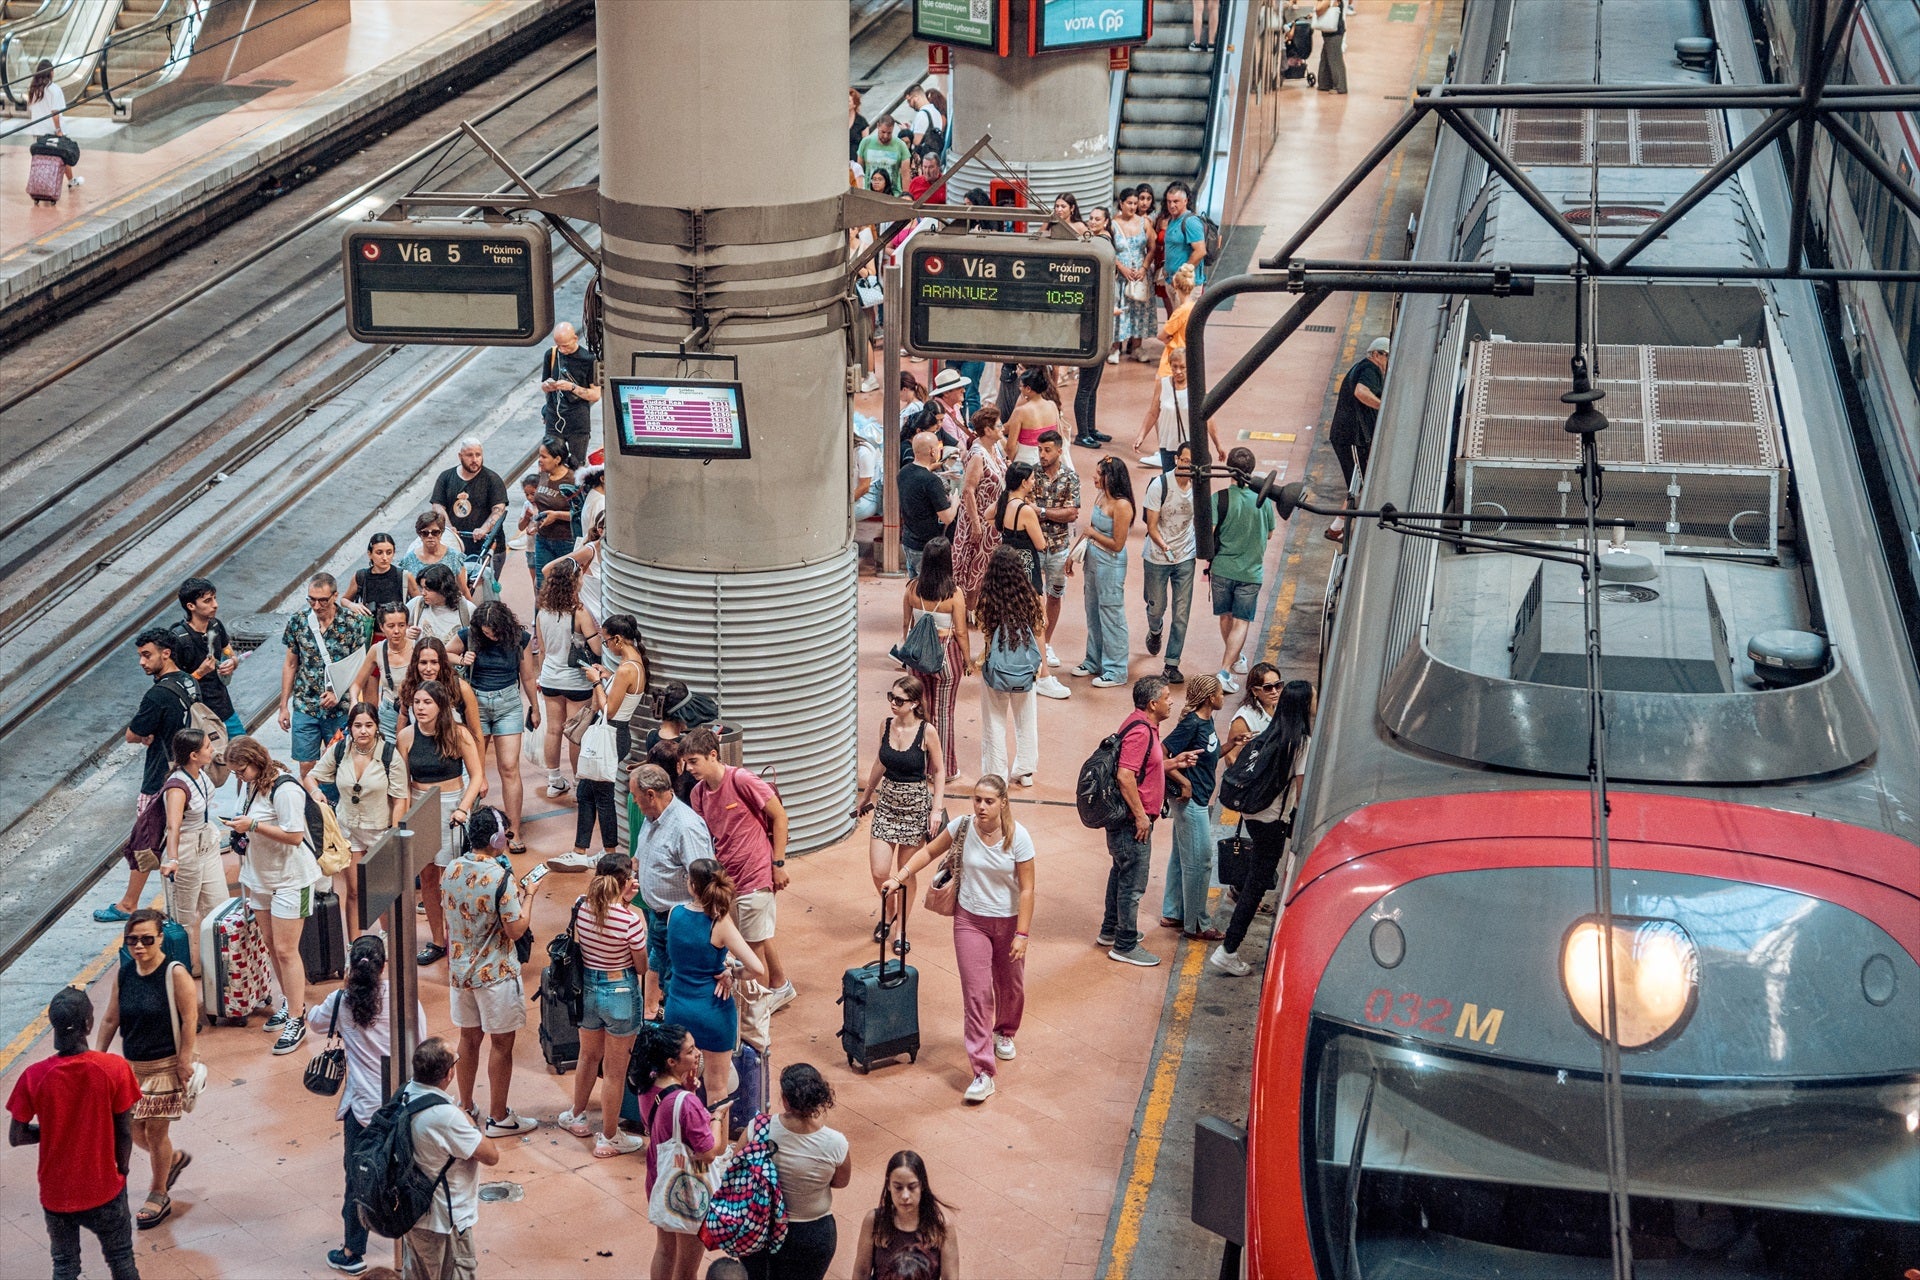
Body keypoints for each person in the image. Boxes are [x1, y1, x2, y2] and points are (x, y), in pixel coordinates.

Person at [883, 775, 1033, 1103]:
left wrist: (1022, 933)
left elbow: (1027, 888)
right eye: (977, 799)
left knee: (1011, 987)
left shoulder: (1018, 837)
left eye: (989, 801)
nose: (981, 806)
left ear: (1003, 803)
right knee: (977, 995)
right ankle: (982, 1071)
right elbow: (927, 853)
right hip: (970, 922)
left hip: (1008, 923)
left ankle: (1005, 1031)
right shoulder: (963, 828)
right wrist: (899, 877)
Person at [308, 935, 428, 1276]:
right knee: (406, 1174)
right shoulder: (403, 999)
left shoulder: (340, 1000)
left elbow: (316, 1022)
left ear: (349, 969)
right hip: (400, 1106)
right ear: (384, 967)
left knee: (359, 1179)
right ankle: (412, 1244)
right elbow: (420, 1042)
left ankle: (352, 1250)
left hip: (361, 1112)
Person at [8, 988, 141, 1280]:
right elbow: (124, 1132)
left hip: (57, 1194)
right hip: (105, 1188)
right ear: (89, 1024)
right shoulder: (113, 1068)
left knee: (65, 1266)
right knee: (121, 1260)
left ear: (52, 1024)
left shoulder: (34, 1076)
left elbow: (16, 1136)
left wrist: (55, 1130)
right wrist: (123, 1169)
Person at [681, 728, 795, 1039]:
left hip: (757, 876)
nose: (689, 769)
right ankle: (779, 987)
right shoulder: (697, 795)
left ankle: (754, 1029)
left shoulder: (741, 780)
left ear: (713, 755)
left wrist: (778, 864)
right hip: (726, 882)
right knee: (747, 941)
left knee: (752, 953)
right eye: (685, 763)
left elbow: (779, 816)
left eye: (693, 761)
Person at [96, 908, 200, 1230]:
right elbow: (112, 1017)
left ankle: (158, 1192)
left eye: (146, 939)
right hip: (132, 1068)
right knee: (133, 1131)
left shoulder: (175, 973)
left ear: (160, 940)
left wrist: (184, 1059)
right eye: (132, 940)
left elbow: (189, 1018)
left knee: (155, 1133)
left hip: (165, 1065)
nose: (139, 947)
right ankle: (172, 1160)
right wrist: (97, 1058)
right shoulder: (125, 974)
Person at [225, 735, 325, 1053]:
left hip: (292, 880)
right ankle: (289, 1001)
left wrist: (252, 826)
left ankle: (297, 1017)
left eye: (241, 771)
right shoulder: (253, 785)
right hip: (261, 878)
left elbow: (294, 836)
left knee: (285, 949)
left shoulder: (285, 789)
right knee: (271, 944)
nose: (238, 777)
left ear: (256, 762)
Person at [442, 808, 538, 1136]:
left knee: (467, 1039)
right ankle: (498, 1117)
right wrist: (529, 898)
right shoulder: (501, 878)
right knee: (501, 1045)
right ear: (497, 839)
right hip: (495, 975)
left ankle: (465, 1106)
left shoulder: (451, 868)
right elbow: (515, 929)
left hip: (460, 972)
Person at [94, 629, 199, 924]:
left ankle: (129, 904)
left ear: (166, 653)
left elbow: (133, 734)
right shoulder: (189, 682)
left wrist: (144, 735)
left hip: (159, 779)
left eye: (146, 655)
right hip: (191, 775)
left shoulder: (157, 694)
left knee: (146, 841)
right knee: (185, 837)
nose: (141, 661)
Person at [1211, 680, 1314, 976]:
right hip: (1273, 822)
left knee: (1257, 879)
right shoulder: (1301, 742)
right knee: (1256, 886)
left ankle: (1229, 944)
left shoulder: (1273, 732)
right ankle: (1228, 949)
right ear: (1305, 705)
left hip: (1255, 816)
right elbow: (1302, 791)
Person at [1100, 677, 1197, 967]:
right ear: (1153, 703)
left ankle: (1110, 929)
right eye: (1167, 697)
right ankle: (1125, 944)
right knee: (1133, 883)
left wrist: (1174, 763)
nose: (1171, 701)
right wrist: (1142, 816)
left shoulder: (1141, 724)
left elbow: (1145, 766)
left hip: (1131, 821)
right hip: (1133, 822)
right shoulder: (1141, 732)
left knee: (1120, 872)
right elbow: (1125, 775)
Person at [557, 854, 648, 1157]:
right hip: (621, 990)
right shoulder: (630, 919)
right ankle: (609, 1137)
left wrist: (620, 899)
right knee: (614, 1070)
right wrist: (628, 905)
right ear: (623, 882)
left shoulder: (582, 906)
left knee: (588, 1055)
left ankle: (576, 1114)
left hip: (589, 990)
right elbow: (642, 966)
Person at [664, 858, 768, 1122]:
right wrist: (731, 971)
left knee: (676, 1084)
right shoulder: (719, 924)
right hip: (712, 1011)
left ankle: (683, 1136)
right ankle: (715, 1150)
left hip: (677, 1008)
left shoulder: (674, 915)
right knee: (717, 1087)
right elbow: (756, 968)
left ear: (691, 885)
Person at [397, 1037, 500, 1280]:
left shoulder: (404, 1095)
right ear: (448, 1074)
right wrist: (467, 1119)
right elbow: (490, 1155)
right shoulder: (446, 1116)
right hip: (445, 1221)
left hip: (412, 1213)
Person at [400, 681, 486, 968]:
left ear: (440, 706)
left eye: (427, 702)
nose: (420, 708)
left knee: (453, 877)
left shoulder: (459, 734)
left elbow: (476, 776)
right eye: (417, 702)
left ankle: (460, 938)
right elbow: (401, 783)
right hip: (420, 804)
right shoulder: (406, 737)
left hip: (452, 805)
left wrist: (463, 808)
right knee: (427, 877)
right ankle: (438, 940)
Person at [740, 1065, 853, 1280]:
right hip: (812, 1233)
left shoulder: (758, 1127)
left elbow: (738, 1168)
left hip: (760, 1228)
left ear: (785, 1099)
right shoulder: (835, 1143)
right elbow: (841, 1181)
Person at [853, 676, 945, 937]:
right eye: (891, 697)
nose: (893, 703)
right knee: (879, 870)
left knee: (905, 874)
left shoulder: (926, 731)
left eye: (899, 700)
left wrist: (935, 810)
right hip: (887, 804)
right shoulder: (886, 725)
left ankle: (901, 927)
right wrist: (867, 794)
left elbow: (938, 771)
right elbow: (881, 762)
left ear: (914, 703)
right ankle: (889, 910)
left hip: (915, 807)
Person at [307, 703, 408, 939]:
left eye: (369, 725)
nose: (363, 731)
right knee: (353, 891)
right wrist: (316, 794)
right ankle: (354, 943)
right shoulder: (339, 750)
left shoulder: (389, 755)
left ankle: (388, 938)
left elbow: (400, 798)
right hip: (348, 830)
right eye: (358, 725)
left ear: (377, 727)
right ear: (350, 728)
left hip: (379, 830)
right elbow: (311, 776)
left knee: (381, 891)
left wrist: (393, 834)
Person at [633, 1022, 721, 1280]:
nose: (698, 1055)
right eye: (691, 1051)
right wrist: (716, 1117)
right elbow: (709, 1152)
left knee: (665, 1250)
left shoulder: (647, 1085)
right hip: (688, 1191)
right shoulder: (688, 1104)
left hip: (660, 1178)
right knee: (687, 1266)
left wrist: (688, 1091)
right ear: (672, 1061)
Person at [629, 763, 714, 1017]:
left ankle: (684, 1040)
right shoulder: (651, 819)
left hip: (680, 923)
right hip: (658, 918)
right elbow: (639, 858)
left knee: (678, 984)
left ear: (651, 795)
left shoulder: (686, 827)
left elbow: (706, 881)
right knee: (666, 979)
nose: (633, 802)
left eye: (635, 796)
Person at [454, 601, 540, 852]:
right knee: (475, 770)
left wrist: (535, 707)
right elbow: (441, 653)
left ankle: (513, 831)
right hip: (475, 705)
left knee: (509, 768)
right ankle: (469, 830)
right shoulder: (469, 636)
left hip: (508, 704)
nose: (489, 636)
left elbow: (527, 676)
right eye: (485, 631)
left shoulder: (519, 639)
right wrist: (461, 658)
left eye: (493, 631)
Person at [280, 573, 373, 781]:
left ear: (334, 596)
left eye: (322, 600)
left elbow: (359, 666)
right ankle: (312, 809)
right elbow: (290, 663)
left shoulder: (352, 622)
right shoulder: (299, 622)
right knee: (306, 765)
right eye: (311, 599)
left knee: (339, 764)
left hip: (339, 708)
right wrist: (283, 705)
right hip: (306, 704)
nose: (316, 605)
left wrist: (340, 695)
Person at [1158, 675, 1227, 941]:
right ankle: (1197, 923)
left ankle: (1173, 911)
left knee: (1180, 857)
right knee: (1200, 862)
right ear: (1211, 698)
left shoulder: (1207, 721)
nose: (1223, 697)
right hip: (1192, 802)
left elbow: (1208, 755)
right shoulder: (1191, 723)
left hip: (1198, 798)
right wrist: (1183, 781)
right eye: (1220, 693)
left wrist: (1232, 745)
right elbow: (1162, 753)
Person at [531, 556, 603, 800]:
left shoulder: (543, 611)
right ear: (574, 582)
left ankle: (554, 781)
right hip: (576, 681)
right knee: (575, 732)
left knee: (553, 730)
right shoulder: (580, 613)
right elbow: (598, 649)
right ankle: (578, 780)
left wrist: (542, 677)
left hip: (551, 677)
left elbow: (541, 649)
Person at [1208, 446, 1279, 693]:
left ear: (1228, 469)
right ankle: (1225, 670)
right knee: (1241, 621)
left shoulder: (1219, 499)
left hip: (1222, 568)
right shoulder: (1264, 502)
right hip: (1250, 572)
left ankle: (1233, 659)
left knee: (1226, 616)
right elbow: (1270, 533)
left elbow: (1210, 532)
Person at [159, 729, 227, 975]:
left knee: (217, 904)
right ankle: (184, 970)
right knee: (184, 916)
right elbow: (173, 826)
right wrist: (173, 858)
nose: (212, 750)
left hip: (207, 843)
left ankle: (219, 965)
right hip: (187, 849)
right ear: (194, 755)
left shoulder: (200, 774)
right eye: (208, 747)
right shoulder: (176, 787)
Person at [901, 537, 969, 781]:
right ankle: (944, 769)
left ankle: (918, 766)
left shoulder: (911, 588)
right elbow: (961, 631)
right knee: (944, 714)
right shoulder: (953, 593)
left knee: (920, 712)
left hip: (917, 657)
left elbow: (906, 624)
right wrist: (967, 659)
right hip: (945, 655)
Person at [975, 547, 1043, 787]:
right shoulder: (1031, 598)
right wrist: (1040, 665)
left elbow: (984, 631)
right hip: (1025, 669)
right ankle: (1024, 771)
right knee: (1026, 719)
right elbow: (1038, 630)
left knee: (993, 721)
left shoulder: (986, 600)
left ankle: (996, 773)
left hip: (995, 670)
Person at [1071, 456, 1136, 688]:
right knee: (1092, 610)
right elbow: (1091, 530)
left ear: (1111, 477)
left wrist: (1091, 534)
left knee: (1111, 614)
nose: (1094, 477)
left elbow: (1117, 543)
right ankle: (1093, 660)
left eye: (1099, 473)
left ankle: (1116, 669)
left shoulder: (1122, 505)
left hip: (1110, 563)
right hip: (1093, 558)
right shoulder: (1101, 497)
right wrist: (1074, 554)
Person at [849, 1151, 960, 1280]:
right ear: (888, 1186)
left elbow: (950, 1277)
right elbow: (861, 1272)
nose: (905, 1196)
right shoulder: (873, 1221)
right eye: (898, 1187)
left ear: (922, 1185)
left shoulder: (942, 1227)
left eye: (912, 1187)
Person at [1141, 441, 1199, 685]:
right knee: (1156, 606)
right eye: (1184, 460)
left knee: (1182, 612)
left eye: (1192, 463)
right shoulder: (1160, 485)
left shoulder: (1198, 487)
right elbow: (1151, 526)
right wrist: (1165, 546)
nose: (1187, 466)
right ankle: (1155, 630)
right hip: (1157, 556)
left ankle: (1171, 663)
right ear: (1177, 459)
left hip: (1185, 555)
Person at [1032, 430, 1081, 698]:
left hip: (1059, 548)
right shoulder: (1032, 474)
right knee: (1033, 595)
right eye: (1040, 449)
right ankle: (1035, 645)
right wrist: (1052, 513)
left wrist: (1040, 511)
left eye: (1047, 450)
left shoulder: (1070, 477)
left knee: (1054, 595)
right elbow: (1026, 505)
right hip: (1035, 544)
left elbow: (1072, 512)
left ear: (1059, 451)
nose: (1042, 455)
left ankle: (1047, 643)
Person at [1326, 336, 1389, 541]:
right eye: (1387, 356)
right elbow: (1361, 392)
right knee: (1358, 483)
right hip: (1351, 437)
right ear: (1376, 354)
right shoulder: (1370, 369)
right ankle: (1336, 529)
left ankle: (1337, 527)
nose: (1388, 362)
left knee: (1358, 482)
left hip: (1348, 436)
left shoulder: (1361, 368)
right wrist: (1383, 406)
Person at [170, 577, 243, 739]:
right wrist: (199, 673)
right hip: (198, 714)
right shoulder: (178, 639)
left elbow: (227, 650)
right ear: (191, 606)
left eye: (214, 598)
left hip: (224, 707)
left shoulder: (215, 625)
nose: (215, 605)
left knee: (245, 751)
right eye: (207, 601)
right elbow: (172, 686)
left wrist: (232, 661)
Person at [949, 406, 1007, 609]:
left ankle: (978, 612)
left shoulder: (995, 448)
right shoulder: (977, 455)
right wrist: (975, 524)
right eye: (999, 425)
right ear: (988, 430)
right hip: (979, 522)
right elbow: (968, 491)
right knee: (974, 570)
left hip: (992, 524)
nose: (1003, 427)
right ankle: (967, 611)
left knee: (985, 570)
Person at [431, 439, 509, 562]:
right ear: (460, 456)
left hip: (487, 548)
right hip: (456, 546)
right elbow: (438, 506)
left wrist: (483, 529)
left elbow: (498, 509)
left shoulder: (492, 479)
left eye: (478, 455)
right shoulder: (446, 477)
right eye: (469, 455)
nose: (474, 459)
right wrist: (449, 527)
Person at [897, 431, 958, 579]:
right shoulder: (931, 481)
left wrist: (936, 472)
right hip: (927, 546)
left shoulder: (903, 472)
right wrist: (955, 502)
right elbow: (947, 518)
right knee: (930, 591)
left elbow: (919, 477)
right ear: (932, 451)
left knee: (914, 587)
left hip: (908, 541)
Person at [539, 323, 600, 469]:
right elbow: (543, 385)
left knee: (576, 465)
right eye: (559, 345)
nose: (562, 350)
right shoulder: (552, 354)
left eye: (565, 345)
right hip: (555, 419)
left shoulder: (588, 360)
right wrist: (548, 386)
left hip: (577, 422)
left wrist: (572, 387)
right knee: (549, 463)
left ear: (575, 338)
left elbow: (596, 395)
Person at [351, 602, 415, 742]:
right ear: (382, 627)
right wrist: (354, 702)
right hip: (389, 714)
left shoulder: (418, 647)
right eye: (391, 626)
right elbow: (357, 684)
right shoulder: (377, 650)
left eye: (401, 625)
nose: (397, 631)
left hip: (417, 711)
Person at [395, 637, 482, 738]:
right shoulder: (408, 686)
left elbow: (476, 732)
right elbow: (404, 715)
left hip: (454, 749)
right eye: (423, 662)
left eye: (434, 662)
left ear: (442, 663)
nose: (428, 669)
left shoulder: (461, 688)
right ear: (416, 664)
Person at [527, 436, 580, 590]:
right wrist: (538, 521)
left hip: (565, 542)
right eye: (539, 456)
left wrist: (557, 515)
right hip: (543, 540)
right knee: (542, 586)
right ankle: (539, 615)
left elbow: (581, 514)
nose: (540, 460)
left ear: (557, 459)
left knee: (564, 588)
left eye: (544, 457)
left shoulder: (572, 480)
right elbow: (542, 503)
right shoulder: (544, 473)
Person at [993, 461, 1048, 597]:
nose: (1034, 482)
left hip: (1005, 564)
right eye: (1032, 478)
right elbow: (1041, 544)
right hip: (1025, 566)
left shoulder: (1004, 502)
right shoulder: (1025, 511)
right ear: (1024, 482)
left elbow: (987, 514)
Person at [1113, 190, 1156, 360]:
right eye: (1129, 203)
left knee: (1139, 310)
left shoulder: (1144, 223)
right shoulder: (1113, 224)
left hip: (1139, 274)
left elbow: (1152, 248)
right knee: (1120, 309)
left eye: (1135, 203)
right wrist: (1121, 267)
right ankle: (1115, 347)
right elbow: (1108, 249)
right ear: (1121, 203)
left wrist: (1144, 268)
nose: (1133, 206)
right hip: (1120, 274)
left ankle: (1137, 346)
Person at [26, 60, 81, 189]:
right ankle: (69, 180)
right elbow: (55, 113)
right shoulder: (54, 89)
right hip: (52, 131)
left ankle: (42, 184)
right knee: (63, 155)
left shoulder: (33, 90)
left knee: (42, 159)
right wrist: (58, 130)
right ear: (51, 72)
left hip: (38, 131)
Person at [341, 532, 416, 618]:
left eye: (389, 552)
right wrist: (352, 605)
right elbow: (344, 600)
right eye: (379, 553)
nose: (384, 558)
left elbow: (418, 603)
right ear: (370, 554)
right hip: (370, 628)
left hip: (397, 629)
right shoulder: (361, 576)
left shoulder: (404, 576)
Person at [1222, 662, 1281, 762]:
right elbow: (1230, 757)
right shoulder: (1244, 719)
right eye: (1268, 688)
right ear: (1255, 691)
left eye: (1278, 685)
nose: (1274, 691)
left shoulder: (1281, 706)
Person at [1007, 366, 1072, 458]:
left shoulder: (1020, 411)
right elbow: (1058, 436)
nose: (1020, 388)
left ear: (1028, 389)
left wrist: (1011, 461)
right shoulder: (1052, 405)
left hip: (1026, 459)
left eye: (1021, 386)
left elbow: (1010, 447)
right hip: (1049, 458)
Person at [409, 564, 472, 645]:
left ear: (443, 589)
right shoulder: (416, 604)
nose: (423, 593)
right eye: (422, 588)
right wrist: (406, 633)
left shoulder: (467, 608)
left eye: (428, 589)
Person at [1161, 183, 1207, 288]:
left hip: (1187, 285)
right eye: (1169, 202)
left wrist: (1181, 275)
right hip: (1172, 282)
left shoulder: (1191, 222)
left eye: (1176, 201)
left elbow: (1200, 251)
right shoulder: (1172, 220)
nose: (1172, 205)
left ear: (1185, 201)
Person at [857, 114, 912, 195]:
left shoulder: (900, 146)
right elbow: (859, 171)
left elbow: (905, 175)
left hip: (893, 195)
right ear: (878, 126)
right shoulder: (866, 143)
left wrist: (906, 197)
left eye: (889, 133)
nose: (885, 136)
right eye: (883, 132)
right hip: (869, 194)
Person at [1314, 0, 1348, 94]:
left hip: (1334, 33)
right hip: (1330, 32)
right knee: (1325, 59)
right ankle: (1324, 84)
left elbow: (1319, 10)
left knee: (1335, 59)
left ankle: (1340, 87)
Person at [905, 84, 945, 153]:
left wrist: (905, 132)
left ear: (916, 97)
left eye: (909, 101)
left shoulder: (922, 114)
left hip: (923, 158)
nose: (909, 105)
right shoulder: (935, 111)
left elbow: (916, 142)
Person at [849, 87, 869, 160]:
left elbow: (866, 145)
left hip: (856, 161)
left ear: (855, 104)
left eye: (848, 101)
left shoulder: (862, 122)